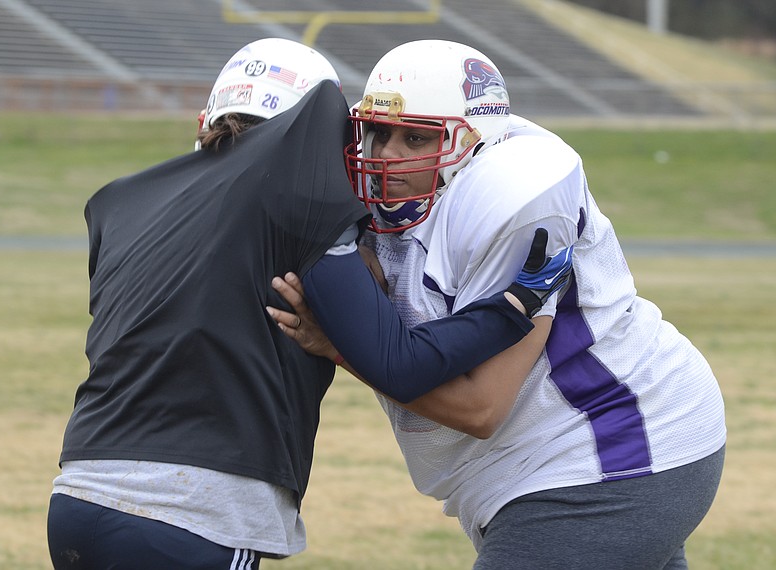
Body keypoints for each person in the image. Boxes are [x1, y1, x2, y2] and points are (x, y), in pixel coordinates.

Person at [46, 38, 572, 569]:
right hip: (194, 508)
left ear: (209, 116)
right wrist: (511, 307)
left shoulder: (121, 201)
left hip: (77, 490)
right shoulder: (300, 200)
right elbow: (403, 365)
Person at [268, 39, 726, 569]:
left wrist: (341, 347)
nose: (384, 154)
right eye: (376, 131)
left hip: (610, 449)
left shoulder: (513, 198)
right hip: (543, 462)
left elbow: (480, 407)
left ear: (472, 144)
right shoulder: (373, 195)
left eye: (416, 137)